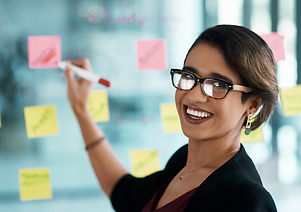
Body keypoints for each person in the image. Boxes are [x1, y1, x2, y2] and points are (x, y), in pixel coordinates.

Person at [63, 24, 279, 211]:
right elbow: (124, 193)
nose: (194, 96)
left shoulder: (247, 199)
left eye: (217, 85)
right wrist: (80, 108)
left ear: (252, 104)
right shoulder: (182, 163)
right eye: (189, 76)